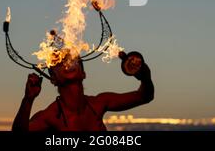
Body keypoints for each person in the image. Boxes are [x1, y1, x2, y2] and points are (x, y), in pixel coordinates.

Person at [12, 54, 154, 131]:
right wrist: (28, 99)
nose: (67, 63)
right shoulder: (50, 116)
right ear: (53, 79)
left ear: (84, 73)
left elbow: (145, 96)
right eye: (59, 62)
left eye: (73, 60)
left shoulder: (99, 103)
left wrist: (144, 75)